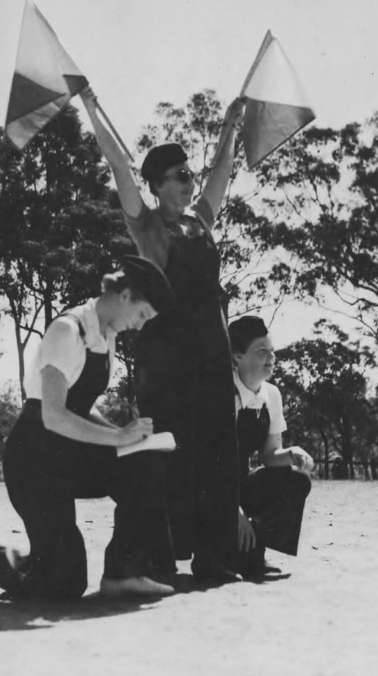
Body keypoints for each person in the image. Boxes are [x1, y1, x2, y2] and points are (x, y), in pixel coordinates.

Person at [81, 88, 245, 582]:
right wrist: (90, 106)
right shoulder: (149, 227)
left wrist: (230, 127)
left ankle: (216, 557)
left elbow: (221, 173)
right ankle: (159, 560)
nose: (189, 183)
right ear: (155, 186)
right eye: (178, 177)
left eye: (189, 175)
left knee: (219, 455)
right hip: (167, 365)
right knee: (171, 457)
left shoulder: (201, 222)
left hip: (213, 360)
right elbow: (117, 166)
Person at [0, 255, 177, 599]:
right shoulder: (67, 329)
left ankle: (122, 573)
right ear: (125, 296)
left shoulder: (106, 337)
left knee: (144, 462)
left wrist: (129, 439)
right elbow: (53, 416)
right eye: (141, 314)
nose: (140, 325)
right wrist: (117, 437)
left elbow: (82, 409)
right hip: (34, 460)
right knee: (64, 581)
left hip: (69, 453)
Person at [228, 316, 313, 579]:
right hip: (209, 486)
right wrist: (233, 510)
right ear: (236, 357)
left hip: (240, 482)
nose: (271, 358)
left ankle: (254, 555)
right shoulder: (219, 394)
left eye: (272, 351)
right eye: (262, 352)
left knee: (297, 481)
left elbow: (268, 455)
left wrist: (291, 454)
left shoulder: (272, 395)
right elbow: (207, 464)